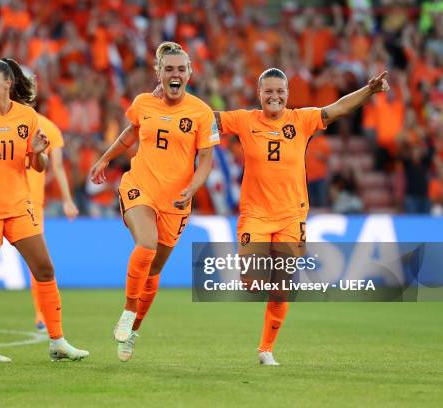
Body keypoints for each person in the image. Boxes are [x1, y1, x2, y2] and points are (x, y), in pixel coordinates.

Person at [214, 68, 389, 365]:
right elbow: (208, 118)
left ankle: (266, 349)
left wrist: (369, 91)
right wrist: (171, 98)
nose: (274, 96)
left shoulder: (301, 120)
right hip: (255, 214)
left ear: (287, 94)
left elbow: (339, 108)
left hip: (292, 215)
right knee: (251, 281)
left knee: (283, 287)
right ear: (259, 94)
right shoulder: (244, 120)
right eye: (268, 91)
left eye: (279, 91)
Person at [90, 42, 220, 362]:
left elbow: (205, 160)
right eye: (169, 69)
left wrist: (192, 187)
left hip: (175, 201)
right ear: (159, 73)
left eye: (180, 69)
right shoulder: (143, 102)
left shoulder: (201, 112)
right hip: (139, 187)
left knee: (153, 271)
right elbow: (130, 133)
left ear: (189, 73)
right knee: (146, 245)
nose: (174, 74)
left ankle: (133, 330)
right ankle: (127, 312)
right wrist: (105, 159)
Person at [0, 57, 88, 363]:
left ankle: (57, 341)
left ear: (7, 83)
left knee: (44, 268)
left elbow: (36, 164)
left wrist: (40, 153)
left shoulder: (28, 117)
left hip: (19, 206)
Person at [26, 109, 79, 333]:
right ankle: (41, 315)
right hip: (27, 201)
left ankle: (41, 315)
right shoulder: (49, 127)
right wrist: (67, 200)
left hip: (22, 200)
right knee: (37, 262)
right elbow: (56, 166)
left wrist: (67, 199)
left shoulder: (4, 121)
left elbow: (57, 166)